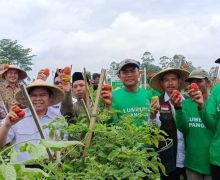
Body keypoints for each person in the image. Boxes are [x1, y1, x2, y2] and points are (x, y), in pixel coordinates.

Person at [0, 79, 65, 163]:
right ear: (27, 98)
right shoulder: (16, 117)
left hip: (50, 171)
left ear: (50, 97)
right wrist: (6, 125)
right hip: (22, 172)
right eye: (33, 95)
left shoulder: (58, 120)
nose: (38, 98)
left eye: (43, 95)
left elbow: (63, 148)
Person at [172, 69, 212, 180]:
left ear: (208, 82)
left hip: (213, 162)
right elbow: (183, 128)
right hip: (192, 162)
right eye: (191, 82)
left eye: (199, 81)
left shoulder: (215, 102)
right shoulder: (185, 104)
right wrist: (178, 108)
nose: (194, 85)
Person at [150, 67, 189, 180]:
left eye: (173, 79)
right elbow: (153, 129)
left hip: (186, 154)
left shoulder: (187, 102)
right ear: (162, 83)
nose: (170, 83)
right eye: (166, 80)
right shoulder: (157, 102)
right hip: (167, 156)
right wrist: (153, 115)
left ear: (179, 81)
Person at [101, 58, 158, 126]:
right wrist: (108, 106)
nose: (129, 75)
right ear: (119, 76)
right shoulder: (111, 96)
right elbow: (109, 126)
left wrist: (153, 115)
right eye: (125, 72)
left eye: (133, 71)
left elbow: (154, 124)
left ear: (139, 74)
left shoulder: (148, 94)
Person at [193, 58, 220, 180]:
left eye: (199, 81)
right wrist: (201, 106)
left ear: (207, 82)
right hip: (217, 157)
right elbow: (211, 124)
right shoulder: (217, 91)